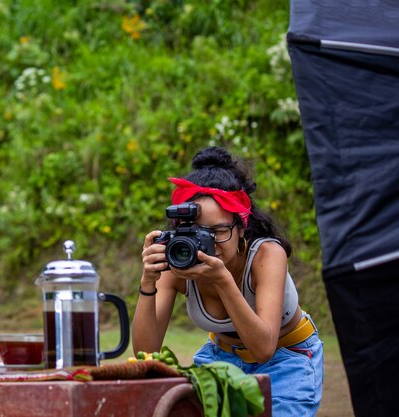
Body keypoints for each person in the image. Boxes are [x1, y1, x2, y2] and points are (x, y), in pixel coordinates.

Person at [132, 146, 323, 417]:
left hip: (287, 356)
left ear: (241, 226)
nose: (206, 242)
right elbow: (145, 353)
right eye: (195, 232)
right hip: (222, 358)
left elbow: (263, 349)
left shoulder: (266, 255)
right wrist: (148, 281)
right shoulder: (175, 262)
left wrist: (223, 282)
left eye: (218, 231)